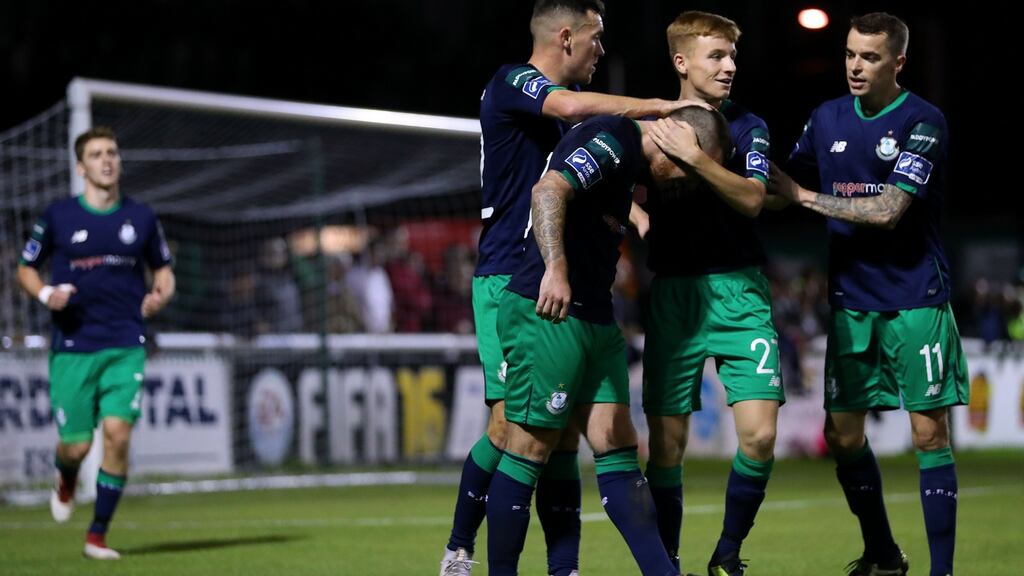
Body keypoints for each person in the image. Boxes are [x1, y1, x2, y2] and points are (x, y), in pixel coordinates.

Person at [440, 1, 685, 574]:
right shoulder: (515, 82)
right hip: (509, 275)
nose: (602, 51)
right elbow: (571, 113)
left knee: (565, 436)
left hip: (559, 279)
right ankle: (459, 547)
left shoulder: (561, 125)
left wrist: (631, 211)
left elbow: (577, 173)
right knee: (511, 429)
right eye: (597, 39)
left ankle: (563, 566)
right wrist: (664, 107)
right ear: (566, 36)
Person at [486, 105, 732, 576]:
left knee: (618, 443)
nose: (687, 176)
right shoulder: (613, 136)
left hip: (595, 317)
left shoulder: (629, 167)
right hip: (549, 311)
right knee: (527, 449)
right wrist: (556, 268)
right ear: (672, 134)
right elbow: (548, 189)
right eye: (688, 162)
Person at [770, 12, 967, 576]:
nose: (856, 66)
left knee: (929, 432)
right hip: (851, 302)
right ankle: (883, 552)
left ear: (898, 61)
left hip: (916, 299)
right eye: (851, 54)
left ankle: (943, 571)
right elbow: (779, 187)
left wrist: (804, 197)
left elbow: (887, 210)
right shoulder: (826, 117)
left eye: (870, 57)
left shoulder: (924, 121)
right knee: (842, 433)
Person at [639, 11, 784, 576]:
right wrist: (638, 218)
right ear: (682, 62)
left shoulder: (748, 126)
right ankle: (668, 563)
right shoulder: (649, 123)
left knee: (761, 435)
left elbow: (752, 198)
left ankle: (726, 552)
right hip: (675, 294)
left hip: (739, 292)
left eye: (731, 57)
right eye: (715, 56)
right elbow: (603, 183)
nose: (729, 66)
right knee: (667, 448)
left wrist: (697, 158)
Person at [17, 126, 175, 560]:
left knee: (118, 435)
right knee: (77, 445)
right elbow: (26, 268)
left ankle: (97, 537)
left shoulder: (141, 218)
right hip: (74, 346)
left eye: (112, 153)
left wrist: (161, 294)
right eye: (97, 154)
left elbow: (163, 271)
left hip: (126, 342)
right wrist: (47, 294)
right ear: (80, 166)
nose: (107, 160)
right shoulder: (58, 216)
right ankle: (65, 477)